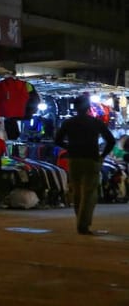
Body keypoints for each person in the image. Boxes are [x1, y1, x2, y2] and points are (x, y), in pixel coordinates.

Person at [54, 94, 116, 235]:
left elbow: (57, 140)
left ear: (75, 108)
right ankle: (83, 225)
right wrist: (102, 156)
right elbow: (111, 141)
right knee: (89, 194)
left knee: (77, 192)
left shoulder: (68, 123)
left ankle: (80, 221)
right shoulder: (96, 123)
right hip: (91, 159)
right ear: (89, 108)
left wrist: (70, 147)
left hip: (74, 159)